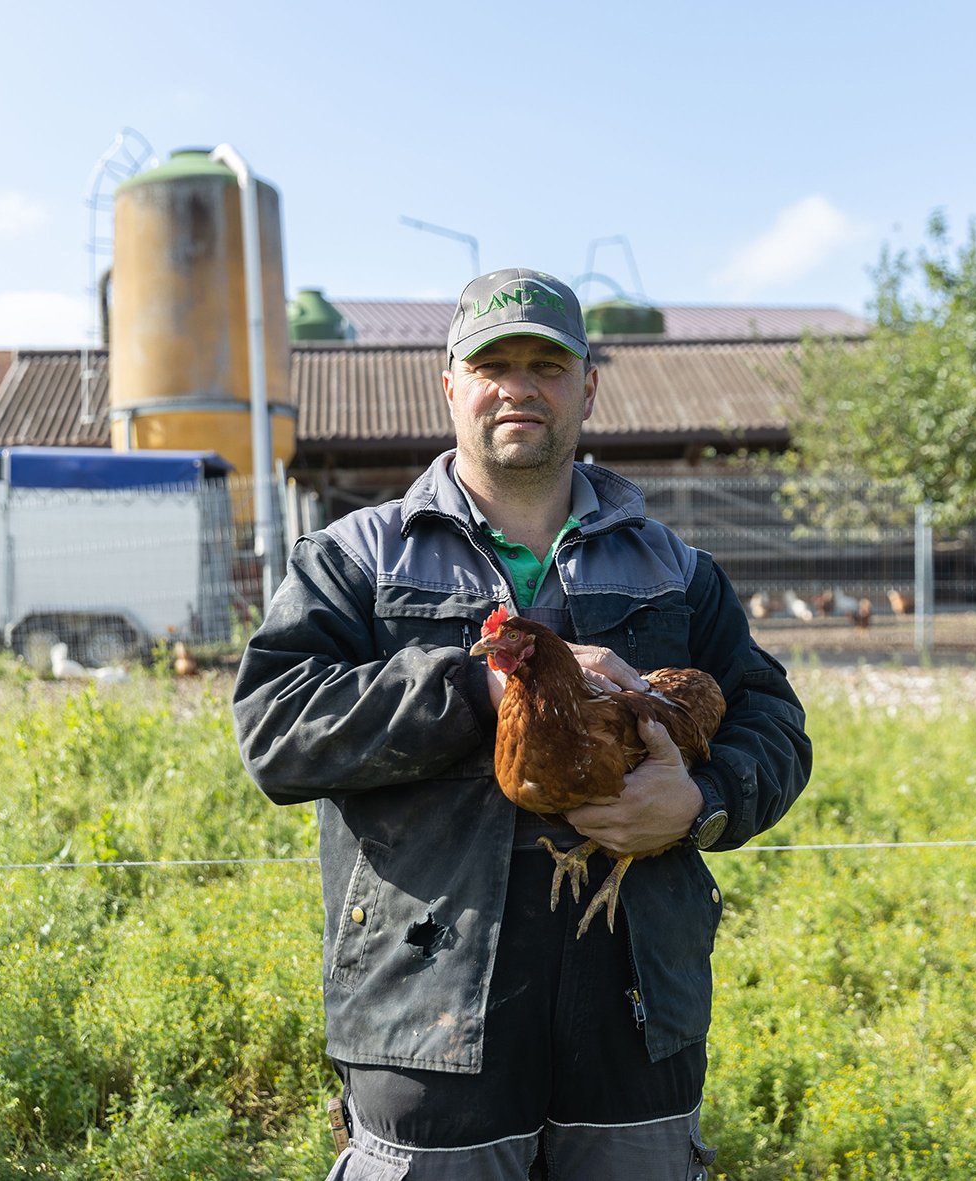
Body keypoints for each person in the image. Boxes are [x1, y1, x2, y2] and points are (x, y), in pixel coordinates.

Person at [232, 267, 811, 1180]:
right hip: (425, 1008)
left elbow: (773, 721)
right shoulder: (354, 559)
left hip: (636, 1013)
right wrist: (481, 692)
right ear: (450, 383)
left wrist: (699, 799)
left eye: (547, 364)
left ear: (587, 386)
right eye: (492, 363)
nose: (519, 385)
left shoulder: (676, 570)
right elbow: (274, 730)